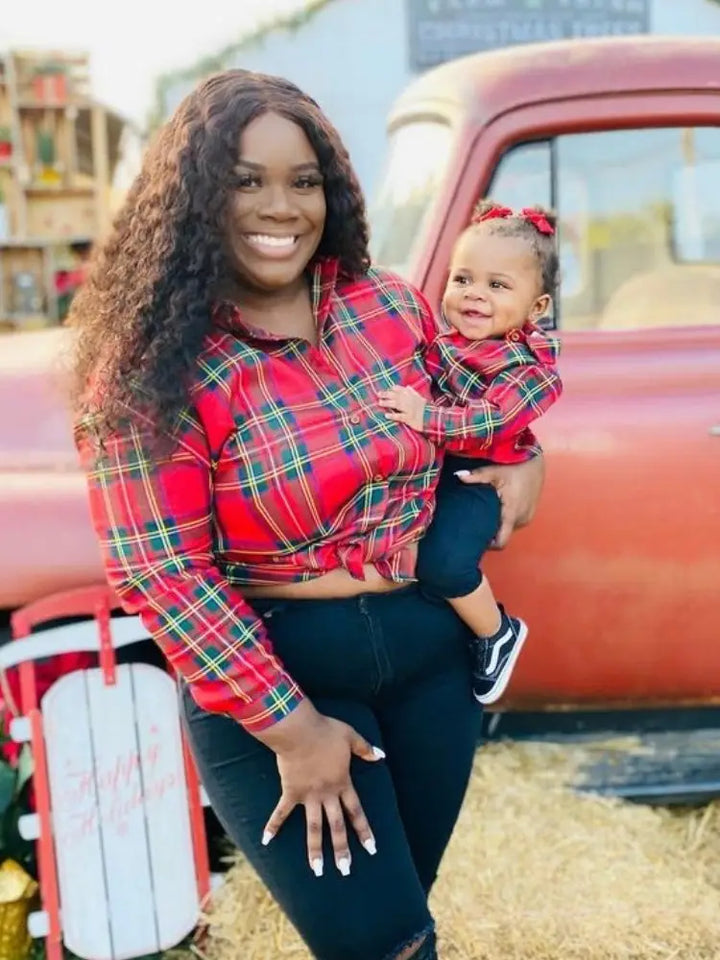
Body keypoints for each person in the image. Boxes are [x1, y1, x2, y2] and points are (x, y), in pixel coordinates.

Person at [70, 70, 546, 960]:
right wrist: (293, 729)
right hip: (283, 686)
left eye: (304, 179)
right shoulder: (149, 370)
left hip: (432, 666)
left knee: (407, 919)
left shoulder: (391, 307)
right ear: (192, 195)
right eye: (244, 179)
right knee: (387, 947)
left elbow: (485, 412)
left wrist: (528, 464)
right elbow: (164, 575)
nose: (280, 206)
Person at [378, 201, 562, 706]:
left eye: (498, 286)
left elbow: (492, 421)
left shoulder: (530, 371)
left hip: (479, 476)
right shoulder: (445, 343)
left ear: (536, 307)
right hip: (438, 467)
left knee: (445, 564)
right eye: (463, 279)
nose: (474, 295)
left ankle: (497, 633)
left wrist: (423, 416)